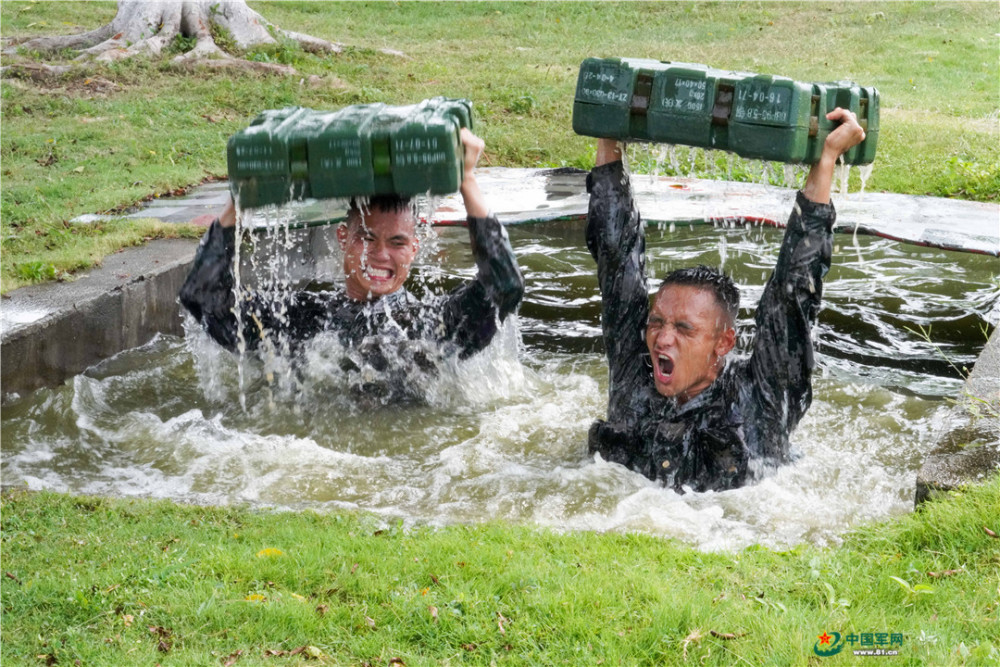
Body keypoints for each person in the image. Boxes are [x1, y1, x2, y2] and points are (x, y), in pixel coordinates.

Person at [585, 109, 866, 493]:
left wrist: (826, 159)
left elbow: (792, 294)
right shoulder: (636, 374)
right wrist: (606, 126)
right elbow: (617, 260)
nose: (662, 339)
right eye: (657, 322)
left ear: (723, 342)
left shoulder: (760, 397)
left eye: (684, 328)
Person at [180, 129, 524, 401]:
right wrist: (239, 200)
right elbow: (203, 297)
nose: (381, 255)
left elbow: (504, 286)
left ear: (414, 249)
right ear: (343, 237)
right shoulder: (299, 319)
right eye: (368, 238)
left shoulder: (432, 325)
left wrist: (467, 180)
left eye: (397, 243)